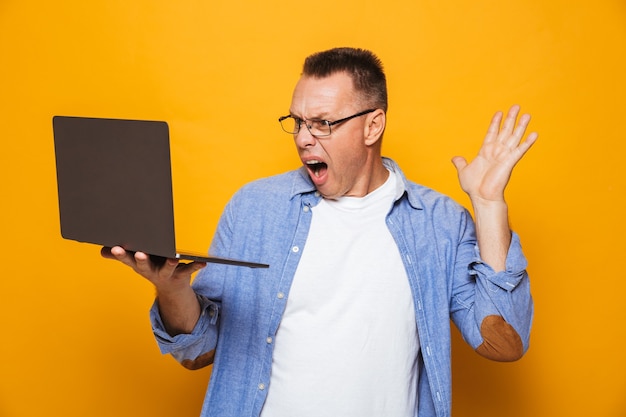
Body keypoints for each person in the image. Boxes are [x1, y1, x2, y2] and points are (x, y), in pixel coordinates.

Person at [102, 47, 536, 417]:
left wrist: (489, 205)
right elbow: (200, 353)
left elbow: (504, 344)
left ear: (373, 125)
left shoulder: (438, 223)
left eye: (323, 123)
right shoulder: (255, 209)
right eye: (298, 121)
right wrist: (172, 290)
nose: (305, 138)